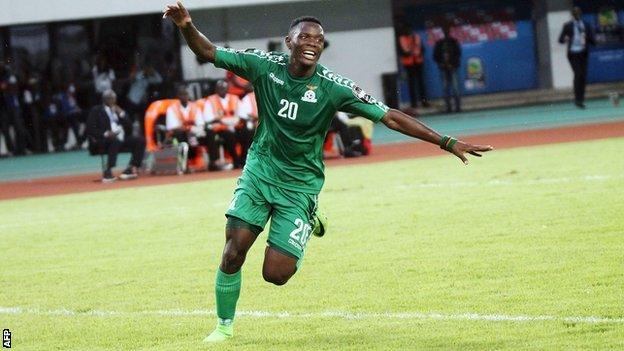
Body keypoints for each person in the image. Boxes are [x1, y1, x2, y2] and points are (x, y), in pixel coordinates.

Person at [163, 1, 493, 343]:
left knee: (275, 275)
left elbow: (390, 116)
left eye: (318, 40)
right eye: (304, 37)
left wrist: (446, 141)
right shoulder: (262, 66)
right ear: (288, 42)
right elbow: (208, 50)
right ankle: (224, 326)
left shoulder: (334, 87)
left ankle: (308, 219)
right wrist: (186, 24)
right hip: (259, 174)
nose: (312, 43)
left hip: (300, 185)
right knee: (233, 252)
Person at [86, 89, 146, 183]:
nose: (112, 101)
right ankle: (108, 171)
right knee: (114, 140)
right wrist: (106, 133)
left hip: (120, 138)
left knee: (140, 140)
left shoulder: (118, 110)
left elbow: (129, 127)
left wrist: (122, 114)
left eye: (113, 98)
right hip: (103, 140)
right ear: (104, 100)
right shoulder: (96, 110)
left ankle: (130, 169)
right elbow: (90, 129)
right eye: (109, 98)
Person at [197, 80, 243, 170]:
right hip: (219, 128)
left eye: (224, 88)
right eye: (219, 88)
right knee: (225, 135)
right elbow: (208, 118)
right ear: (216, 90)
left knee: (247, 133)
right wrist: (223, 121)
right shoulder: (210, 100)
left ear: (227, 89)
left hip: (235, 126)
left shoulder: (235, 98)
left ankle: (242, 160)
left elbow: (241, 115)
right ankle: (217, 162)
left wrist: (231, 121)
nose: (222, 90)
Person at [558, 7, 595, 109]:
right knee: (578, 74)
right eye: (575, 14)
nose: (577, 15)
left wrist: (586, 36)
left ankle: (581, 99)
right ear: (572, 15)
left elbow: (593, 41)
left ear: (581, 14)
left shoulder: (586, 25)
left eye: (578, 13)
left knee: (583, 76)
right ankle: (577, 99)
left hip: (583, 53)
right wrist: (565, 38)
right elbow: (560, 40)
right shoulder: (567, 25)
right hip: (573, 53)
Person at [397, 23, 429, 109]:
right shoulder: (401, 39)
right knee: (411, 84)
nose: (408, 32)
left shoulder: (416, 37)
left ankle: (424, 102)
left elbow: (422, 49)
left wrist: (418, 54)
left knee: (421, 83)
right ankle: (414, 103)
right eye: (406, 30)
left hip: (418, 62)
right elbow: (401, 51)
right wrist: (409, 53)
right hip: (409, 64)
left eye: (409, 30)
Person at [433, 27, 462, 113]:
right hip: (443, 69)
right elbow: (435, 56)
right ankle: (448, 108)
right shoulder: (439, 43)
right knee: (445, 88)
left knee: (455, 88)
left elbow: (458, 54)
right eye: (444, 31)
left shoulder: (454, 42)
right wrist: (442, 64)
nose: (446, 33)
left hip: (453, 68)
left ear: (449, 32)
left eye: (447, 31)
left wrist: (452, 64)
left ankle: (457, 107)